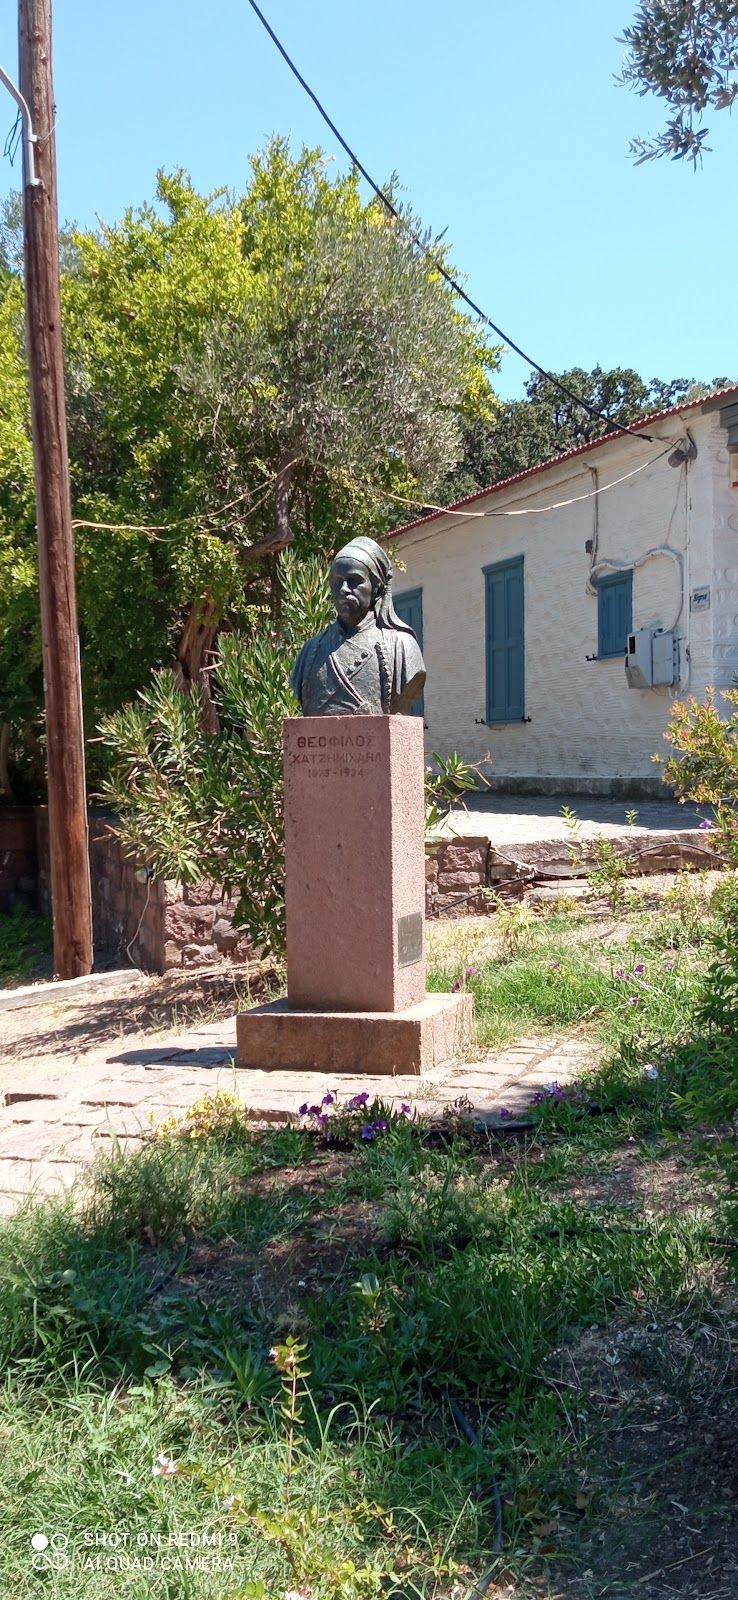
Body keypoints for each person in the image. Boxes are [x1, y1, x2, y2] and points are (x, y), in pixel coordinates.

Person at [290, 536, 426, 716]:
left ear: (377, 586)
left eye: (354, 580)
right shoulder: (310, 652)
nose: (344, 589)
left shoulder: (402, 647)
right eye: (338, 581)